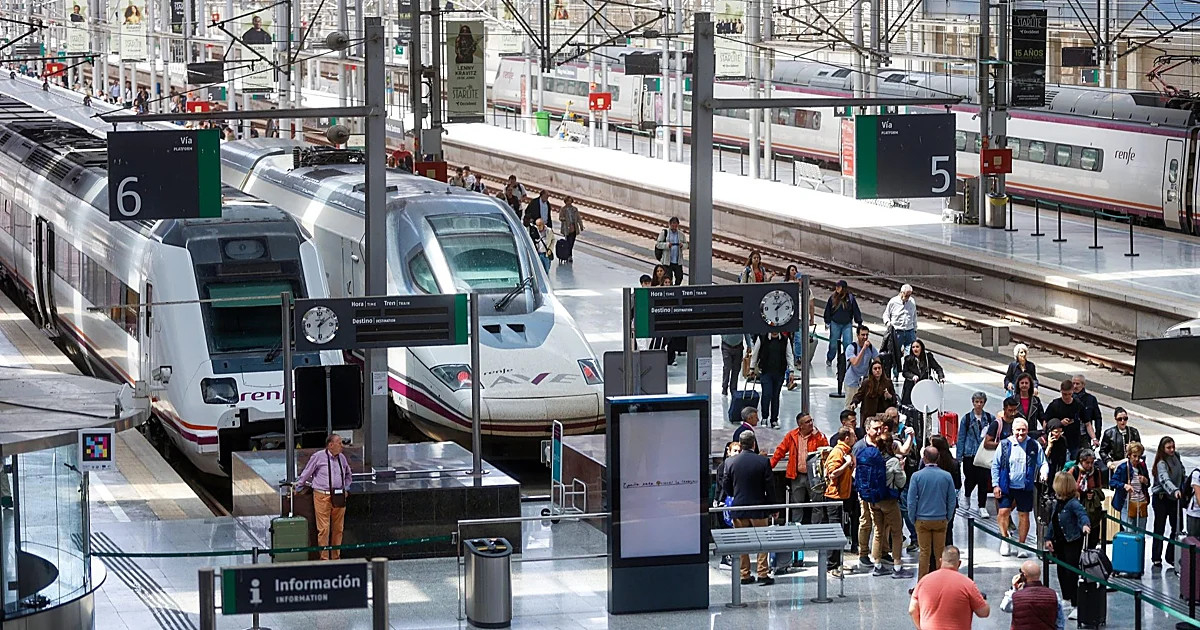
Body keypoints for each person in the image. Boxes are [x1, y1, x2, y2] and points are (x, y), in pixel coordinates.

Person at [856, 416, 913, 579]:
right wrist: (901, 468)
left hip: (873, 500)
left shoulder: (871, 455)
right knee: (896, 532)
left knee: (878, 532)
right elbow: (901, 482)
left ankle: (878, 565)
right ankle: (897, 566)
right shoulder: (893, 461)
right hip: (888, 500)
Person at [722, 431, 779, 586]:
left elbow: (726, 485)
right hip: (759, 507)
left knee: (742, 542)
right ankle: (762, 573)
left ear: (740, 444)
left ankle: (744, 574)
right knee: (762, 541)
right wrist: (773, 506)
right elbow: (770, 486)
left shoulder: (730, 462)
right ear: (754, 444)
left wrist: (735, 495)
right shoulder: (762, 462)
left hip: (739, 508)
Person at [991, 418, 1046, 558]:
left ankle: (1021, 544)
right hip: (1006, 486)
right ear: (1013, 430)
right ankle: (1005, 539)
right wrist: (995, 484)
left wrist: (1044, 472)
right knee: (1003, 512)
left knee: (1024, 515)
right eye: (1018, 430)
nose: (1020, 433)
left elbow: (1042, 462)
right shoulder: (1004, 445)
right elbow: (995, 465)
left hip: (1025, 486)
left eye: (1023, 430)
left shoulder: (1034, 445)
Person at [295, 434, 353, 560]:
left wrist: (346, 488)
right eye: (339, 443)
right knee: (324, 529)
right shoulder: (318, 457)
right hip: (322, 496)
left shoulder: (342, 458)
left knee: (338, 529)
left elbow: (348, 474)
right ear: (330, 445)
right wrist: (299, 486)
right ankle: (324, 559)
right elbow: (307, 472)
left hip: (339, 497)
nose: (342, 445)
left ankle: (336, 557)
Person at [1045, 471, 1091, 620]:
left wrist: (1085, 525)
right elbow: (1053, 522)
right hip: (1060, 542)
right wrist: (1048, 538)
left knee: (1072, 572)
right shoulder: (1057, 503)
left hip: (1072, 541)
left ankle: (1077, 604)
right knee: (1061, 570)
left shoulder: (1073, 503)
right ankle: (1066, 598)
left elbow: (1082, 515)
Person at [769, 412, 829, 525]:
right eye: (807, 422)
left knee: (817, 504)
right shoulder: (792, 436)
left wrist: (817, 436)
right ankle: (797, 527)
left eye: (811, 420)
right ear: (800, 425)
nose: (811, 423)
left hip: (814, 476)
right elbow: (780, 451)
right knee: (796, 504)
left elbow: (825, 450)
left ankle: (816, 528)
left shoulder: (818, 436)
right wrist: (769, 467)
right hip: (797, 476)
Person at [909, 546, 990, 629]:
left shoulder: (923, 581)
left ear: (941, 561)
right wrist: (981, 600)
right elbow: (984, 612)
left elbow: (912, 610)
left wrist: (920, 628)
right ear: (959, 563)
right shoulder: (968, 584)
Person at [908, 446, 957, 580]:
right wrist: (948, 516)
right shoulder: (946, 476)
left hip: (922, 519)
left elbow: (911, 501)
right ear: (938, 458)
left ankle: (922, 583)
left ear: (924, 458)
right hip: (940, 519)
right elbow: (952, 499)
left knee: (924, 552)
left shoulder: (916, 476)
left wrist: (913, 518)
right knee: (939, 553)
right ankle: (940, 581)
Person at [824, 427, 857, 577]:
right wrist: (846, 464)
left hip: (843, 496)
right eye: (853, 436)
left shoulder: (846, 451)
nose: (856, 438)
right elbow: (832, 474)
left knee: (841, 530)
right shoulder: (837, 452)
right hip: (834, 497)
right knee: (834, 531)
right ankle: (831, 565)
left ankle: (838, 563)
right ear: (846, 438)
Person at [999, 560, 1067, 630]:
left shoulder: (1016, 597)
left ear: (1024, 576)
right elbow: (1060, 624)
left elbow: (1004, 607)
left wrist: (1013, 589)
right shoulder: (1054, 595)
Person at [958, 391, 995, 518]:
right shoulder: (967, 419)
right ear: (973, 403)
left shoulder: (990, 418)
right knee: (970, 479)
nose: (979, 404)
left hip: (984, 454)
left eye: (981, 402)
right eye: (976, 402)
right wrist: (959, 456)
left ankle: (982, 506)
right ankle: (967, 495)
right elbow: (961, 437)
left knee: (984, 480)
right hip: (970, 453)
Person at [1150, 436, 1184, 568]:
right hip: (1161, 498)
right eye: (1168, 448)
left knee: (1177, 528)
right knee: (1159, 528)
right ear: (1162, 449)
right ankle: (1156, 557)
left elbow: (1181, 471)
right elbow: (1164, 480)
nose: (1172, 450)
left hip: (1175, 498)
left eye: (1173, 447)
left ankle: (1171, 555)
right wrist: (1174, 490)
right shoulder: (1161, 463)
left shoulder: (1177, 457)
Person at [853, 415, 881, 568]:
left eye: (879, 428)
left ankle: (882, 552)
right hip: (865, 491)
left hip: (880, 490)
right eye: (875, 429)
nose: (878, 432)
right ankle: (863, 552)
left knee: (881, 523)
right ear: (867, 429)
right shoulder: (859, 447)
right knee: (866, 522)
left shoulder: (881, 444)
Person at [750, 332, 793, 429]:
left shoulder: (785, 340)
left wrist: (791, 370)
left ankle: (774, 419)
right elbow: (755, 353)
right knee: (766, 394)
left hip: (779, 372)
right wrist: (752, 368)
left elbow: (789, 355)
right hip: (766, 372)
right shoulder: (762, 338)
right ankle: (764, 417)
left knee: (776, 396)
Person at [1044, 379, 1094, 458]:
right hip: (1058, 441)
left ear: (1072, 391)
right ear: (1061, 392)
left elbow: (1087, 423)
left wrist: (1094, 438)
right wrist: (1059, 423)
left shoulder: (1078, 404)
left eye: (1069, 394)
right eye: (1064, 394)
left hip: (1074, 441)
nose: (1067, 397)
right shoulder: (1055, 405)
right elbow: (1045, 422)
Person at [1110, 441, 1150, 531]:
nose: (1136, 459)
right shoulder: (1123, 467)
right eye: (1134, 456)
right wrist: (1124, 486)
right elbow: (1112, 482)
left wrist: (1145, 480)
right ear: (1129, 455)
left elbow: (1148, 483)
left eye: (1139, 456)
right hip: (1127, 503)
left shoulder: (1142, 466)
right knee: (1129, 531)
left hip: (1141, 502)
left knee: (1141, 531)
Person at [1070, 449, 1105, 548]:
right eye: (1087, 463)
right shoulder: (1074, 471)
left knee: (1093, 538)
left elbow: (1099, 488)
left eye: (1092, 462)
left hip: (1092, 510)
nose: (1090, 465)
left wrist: (1094, 493)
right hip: (1077, 508)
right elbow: (1068, 488)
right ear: (1081, 461)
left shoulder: (1096, 472)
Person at [822, 280, 863, 366]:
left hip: (847, 324)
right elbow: (828, 310)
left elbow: (855, 309)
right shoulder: (832, 298)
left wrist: (859, 322)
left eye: (839, 287)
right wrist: (827, 321)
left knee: (847, 343)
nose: (837, 288)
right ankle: (830, 358)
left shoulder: (850, 298)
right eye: (836, 286)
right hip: (835, 323)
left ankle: (847, 359)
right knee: (833, 343)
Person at [930, 435, 961, 545]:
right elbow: (958, 484)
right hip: (949, 501)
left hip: (932, 502)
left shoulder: (929, 465)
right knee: (948, 530)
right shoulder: (954, 463)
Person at [900, 339, 945, 406]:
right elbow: (905, 372)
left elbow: (938, 368)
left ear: (921, 348)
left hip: (925, 386)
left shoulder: (928, 357)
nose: (915, 349)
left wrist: (941, 377)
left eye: (917, 347)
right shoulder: (908, 359)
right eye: (913, 347)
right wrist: (912, 376)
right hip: (911, 386)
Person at [1099, 406, 1141, 478]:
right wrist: (1108, 461)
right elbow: (1103, 450)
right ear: (1115, 419)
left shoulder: (1134, 432)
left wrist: (1133, 447)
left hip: (1131, 465)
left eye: (1125, 419)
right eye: (1120, 419)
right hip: (1116, 465)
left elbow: (1140, 449)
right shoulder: (1109, 433)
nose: (1123, 421)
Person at [844, 324, 878, 407]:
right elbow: (855, 362)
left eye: (867, 335)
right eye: (863, 335)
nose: (865, 337)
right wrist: (863, 349)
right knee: (850, 406)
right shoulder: (851, 348)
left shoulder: (870, 347)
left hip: (865, 381)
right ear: (857, 335)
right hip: (852, 381)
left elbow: (877, 361)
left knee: (866, 407)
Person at [882, 284, 917, 356]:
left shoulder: (912, 301)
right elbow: (886, 314)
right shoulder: (893, 302)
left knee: (911, 354)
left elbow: (914, 316)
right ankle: (896, 367)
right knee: (895, 354)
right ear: (902, 292)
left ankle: (907, 367)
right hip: (897, 331)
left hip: (909, 331)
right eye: (906, 295)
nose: (908, 298)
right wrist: (888, 324)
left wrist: (915, 328)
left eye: (909, 295)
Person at [654, 217, 687, 285]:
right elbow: (658, 244)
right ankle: (669, 289)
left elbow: (686, 244)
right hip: (667, 261)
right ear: (669, 224)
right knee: (668, 278)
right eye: (672, 225)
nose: (674, 227)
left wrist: (682, 246)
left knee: (679, 276)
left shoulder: (681, 234)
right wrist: (667, 245)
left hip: (677, 261)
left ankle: (676, 288)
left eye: (676, 226)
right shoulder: (665, 233)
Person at [1072, 374, 1104, 440]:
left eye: (1077, 384)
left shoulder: (1091, 399)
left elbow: (1097, 417)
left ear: (1083, 385)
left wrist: (1097, 435)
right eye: (1073, 383)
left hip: (1085, 435)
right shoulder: (1068, 398)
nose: (1075, 386)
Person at [557, 196, 583, 263]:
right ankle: (569, 255)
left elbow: (578, 218)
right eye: (568, 201)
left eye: (570, 201)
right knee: (568, 242)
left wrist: (581, 225)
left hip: (574, 227)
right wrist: (564, 219)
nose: (569, 202)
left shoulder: (574, 209)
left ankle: (569, 255)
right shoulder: (563, 209)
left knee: (572, 242)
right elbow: (560, 217)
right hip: (567, 228)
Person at [719, 333, 743, 397]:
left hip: (739, 346)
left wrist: (749, 345)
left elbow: (746, 331)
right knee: (727, 367)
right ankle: (725, 387)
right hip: (726, 346)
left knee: (736, 368)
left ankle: (733, 388)